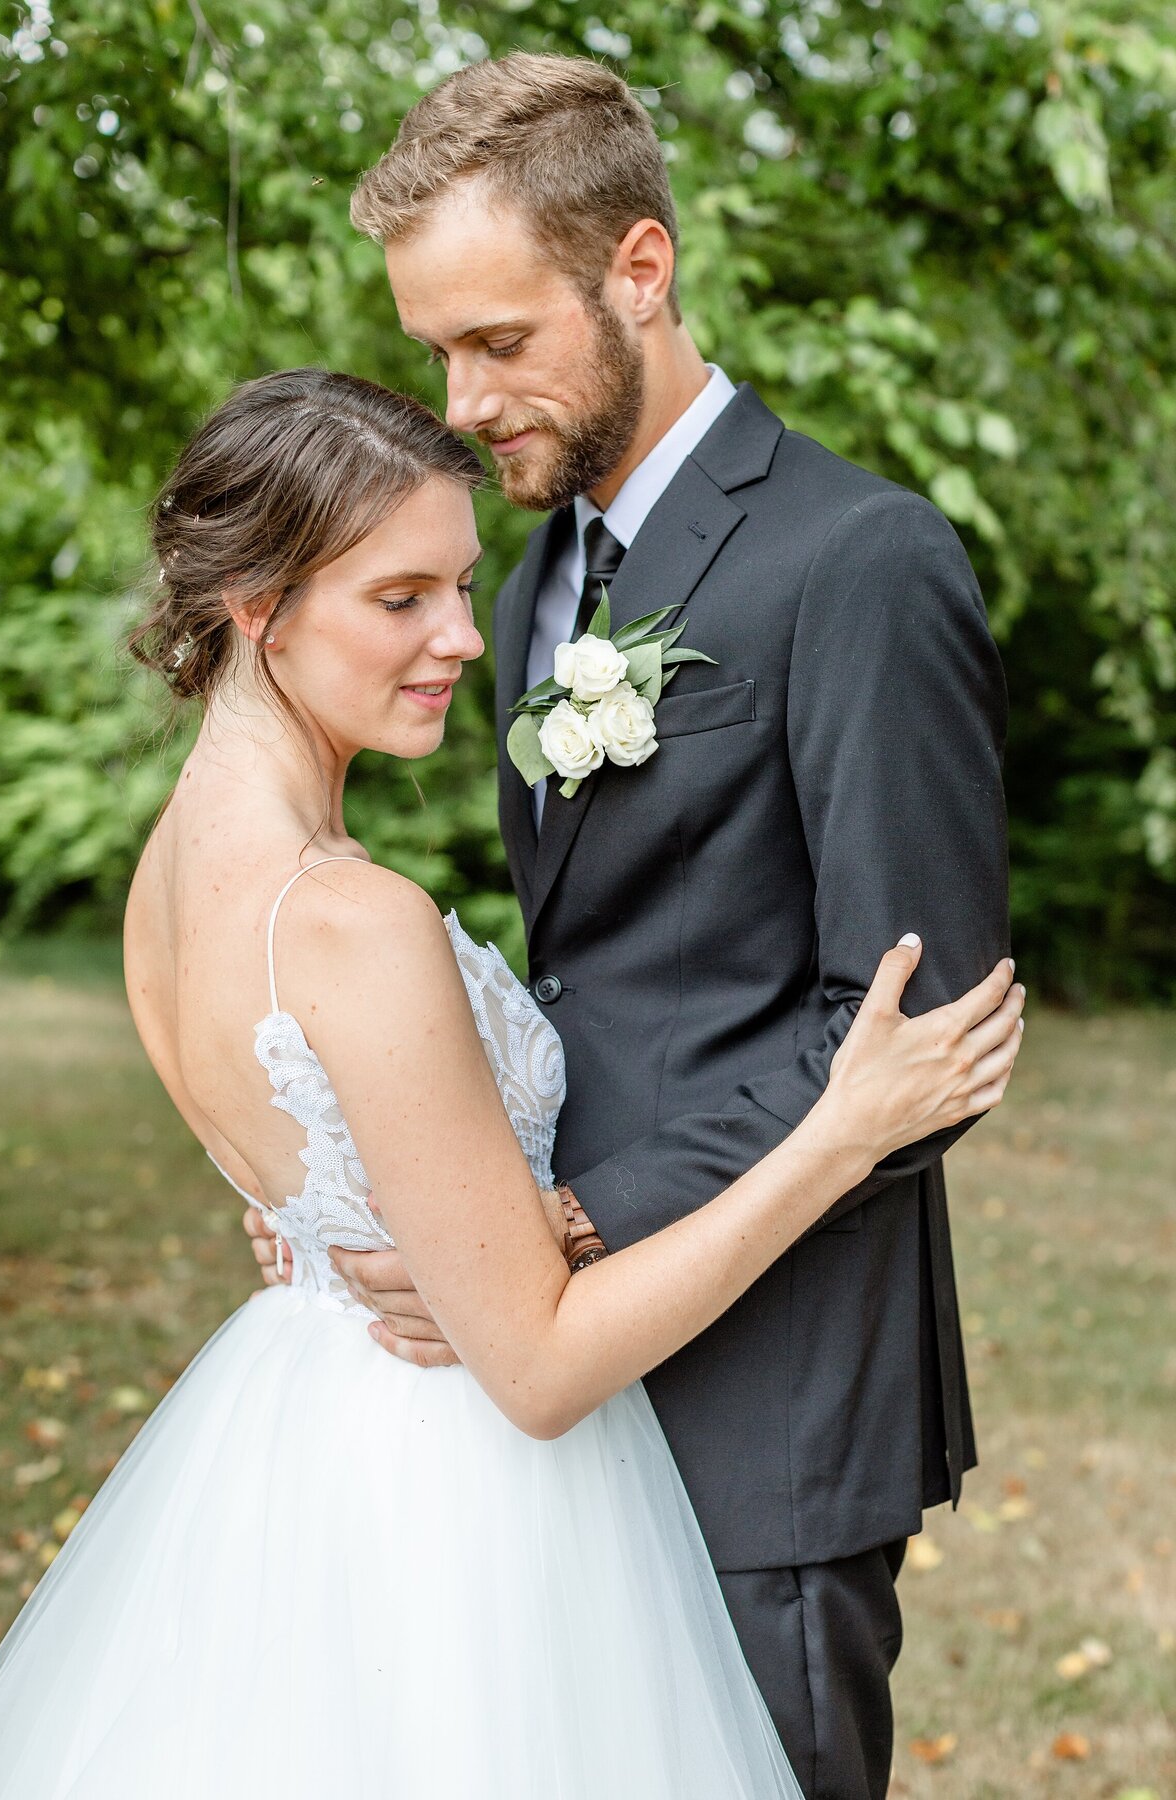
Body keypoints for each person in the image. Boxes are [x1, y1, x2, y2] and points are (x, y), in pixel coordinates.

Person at [0, 368, 1023, 1799]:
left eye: (464, 588)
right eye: (400, 600)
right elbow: (534, 1366)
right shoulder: (352, 920)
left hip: (303, 1458)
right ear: (256, 605)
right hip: (459, 1506)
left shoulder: (165, 880)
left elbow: (315, 1162)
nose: (466, 638)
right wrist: (837, 1134)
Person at [246, 53, 1015, 1799]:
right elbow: (595, 969)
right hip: (576, 1376)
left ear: (641, 271)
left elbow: (917, 1030)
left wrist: (575, 1215)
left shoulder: (859, 559)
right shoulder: (524, 587)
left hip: (780, 1397)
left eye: (498, 342)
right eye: (435, 346)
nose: (459, 395)